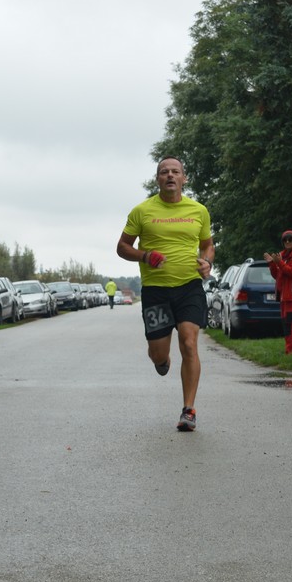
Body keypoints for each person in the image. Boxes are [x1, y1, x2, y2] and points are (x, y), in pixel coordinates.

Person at [115, 156, 215, 432]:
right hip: (156, 291)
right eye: (164, 172)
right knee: (158, 354)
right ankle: (162, 360)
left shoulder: (198, 210)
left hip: (189, 287)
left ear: (184, 178)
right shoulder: (142, 211)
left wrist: (207, 261)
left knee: (189, 342)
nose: (170, 175)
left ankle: (189, 410)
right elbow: (122, 247)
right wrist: (145, 256)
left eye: (175, 172)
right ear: (157, 179)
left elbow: (207, 245)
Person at [264, 230, 292, 354]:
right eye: (285, 240)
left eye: (290, 239)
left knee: (290, 323)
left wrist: (279, 262)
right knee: (287, 323)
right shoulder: (281, 255)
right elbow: (277, 275)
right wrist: (271, 264)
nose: (287, 242)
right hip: (284, 295)